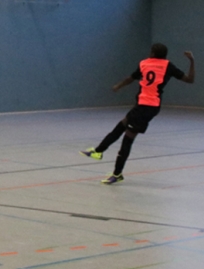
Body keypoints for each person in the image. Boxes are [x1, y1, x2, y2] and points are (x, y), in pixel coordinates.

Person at [81, 44, 195, 184]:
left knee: (127, 140)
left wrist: (119, 85)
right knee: (120, 127)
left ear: (152, 53)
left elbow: (131, 78)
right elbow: (190, 79)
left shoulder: (144, 63)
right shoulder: (168, 66)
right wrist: (191, 61)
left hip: (147, 108)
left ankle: (117, 174)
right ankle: (98, 151)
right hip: (143, 105)